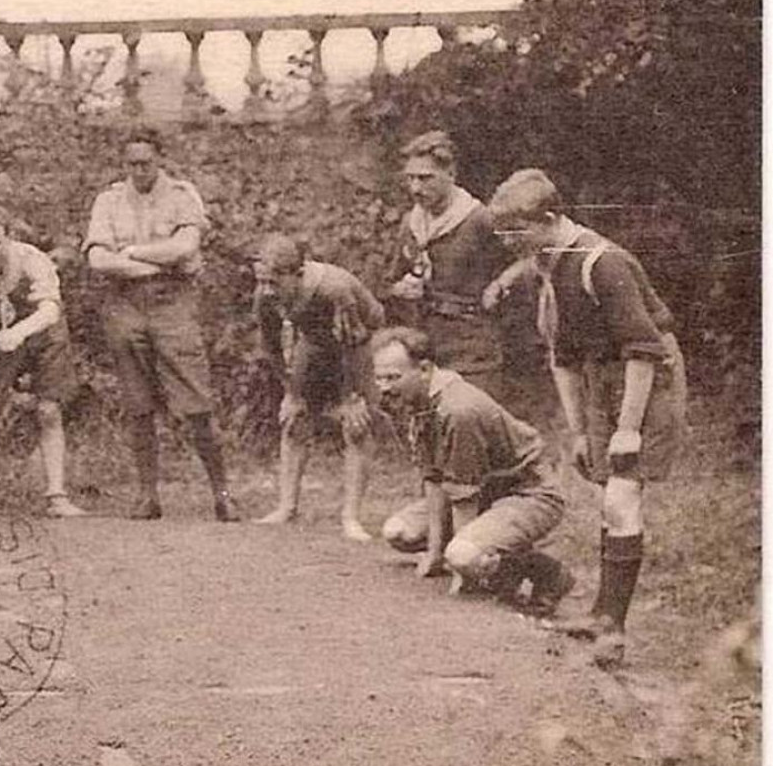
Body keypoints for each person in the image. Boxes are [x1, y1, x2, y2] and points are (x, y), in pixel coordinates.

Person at [489, 169, 687, 667]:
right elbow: (563, 359)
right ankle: (602, 613)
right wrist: (579, 431)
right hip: (603, 378)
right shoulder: (548, 266)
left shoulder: (603, 264)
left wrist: (626, 429)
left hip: (646, 377)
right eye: (503, 232)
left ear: (550, 219)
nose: (509, 242)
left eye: (517, 231)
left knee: (623, 494)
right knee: (609, 495)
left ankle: (613, 630)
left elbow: (644, 349)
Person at [82, 128, 237, 521]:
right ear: (123, 163)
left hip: (173, 302)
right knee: (138, 404)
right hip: (125, 303)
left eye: (146, 163)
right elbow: (98, 259)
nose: (139, 171)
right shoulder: (109, 200)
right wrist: (155, 262)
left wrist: (131, 252)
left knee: (197, 401)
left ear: (160, 160)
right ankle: (147, 495)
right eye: (131, 163)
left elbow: (186, 247)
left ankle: (223, 494)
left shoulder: (182, 196)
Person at [372, 327, 574, 613]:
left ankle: (546, 572)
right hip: (486, 494)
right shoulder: (416, 399)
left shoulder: (457, 410)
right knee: (399, 533)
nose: (384, 386)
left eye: (393, 377)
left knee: (464, 556)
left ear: (425, 369)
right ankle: (488, 555)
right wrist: (434, 553)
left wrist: (460, 571)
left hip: (528, 494)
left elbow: (463, 498)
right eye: (379, 377)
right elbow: (433, 478)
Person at [0, 205, 87, 520]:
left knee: (48, 410)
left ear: (9, 238)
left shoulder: (32, 260)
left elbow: (50, 310)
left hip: (42, 333)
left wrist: (20, 333)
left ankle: (56, 496)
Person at [251, 235, 384, 542]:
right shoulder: (264, 295)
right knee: (294, 419)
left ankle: (351, 517)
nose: (268, 290)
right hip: (314, 341)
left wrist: (353, 398)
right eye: (263, 281)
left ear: (297, 275)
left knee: (357, 425)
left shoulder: (333, 290)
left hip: (359, 342)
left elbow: (354, 342)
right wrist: (291, 393)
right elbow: (271, 347)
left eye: (275, 282)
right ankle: (287, 506)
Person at [386, 131, 518, 400]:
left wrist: (500, 284)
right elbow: (394, 278)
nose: (415, 188)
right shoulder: (411, 223)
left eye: (425, 178)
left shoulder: (479, 219)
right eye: (410, 178)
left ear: (451, 174)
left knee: (474, 421)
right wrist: (402, 287)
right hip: (426, 346)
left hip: (474, 349)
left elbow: (525, 262)